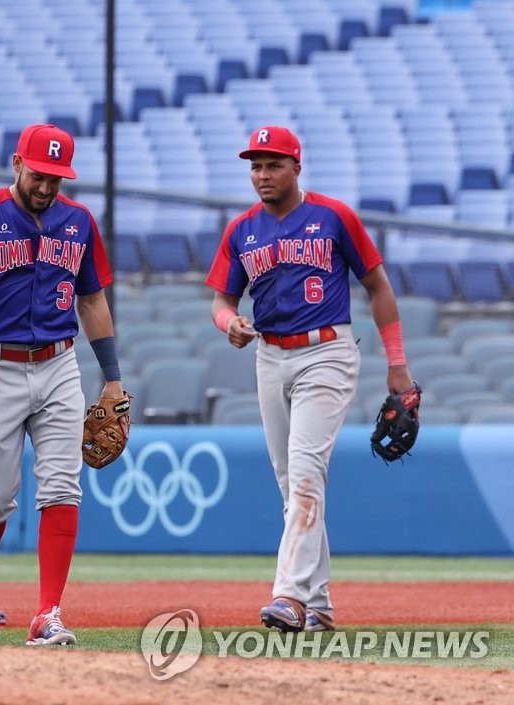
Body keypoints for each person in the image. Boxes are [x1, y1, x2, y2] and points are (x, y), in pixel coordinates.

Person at [205, 125, 417, 633]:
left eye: (273, 164)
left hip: (327, 351)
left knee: (303, 472)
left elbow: (378, 287)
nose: (262, 174)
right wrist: (228, 324)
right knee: (293, 484)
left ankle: (289, 596)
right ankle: (319, 605)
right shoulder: (241, 231)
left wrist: (397, 362)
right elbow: (221, 301)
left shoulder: (333, 216)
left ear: (296, 167)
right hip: (270, 357)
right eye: (255, 166)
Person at [0, 123, 125, 646]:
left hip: (61, 364)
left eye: (57, 179)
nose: (46, 187)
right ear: (18, 164)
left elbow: (91, 300)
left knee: (64, 487)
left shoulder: (79, 221)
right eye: (39, 175)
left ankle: (47, 613)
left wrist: (112, 378)